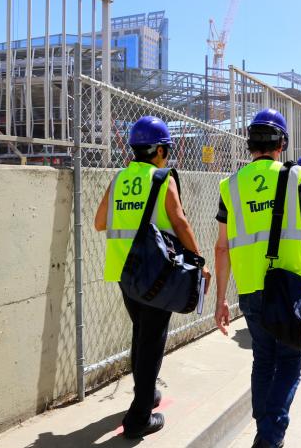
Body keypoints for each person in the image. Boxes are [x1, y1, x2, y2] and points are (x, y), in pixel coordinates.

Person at [214, 109, 301, 448]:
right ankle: (270, 435)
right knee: (290, 359)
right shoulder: (296, 178)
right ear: (282, 143)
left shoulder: (230, 185)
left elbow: (222, 248)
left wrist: (221, 298)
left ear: (250, 144)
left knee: (263, 358)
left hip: (250, 289)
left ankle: (265, 427)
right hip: (292, 287)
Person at [94, 115, 211, 439]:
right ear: (159, 150)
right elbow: (181, 222)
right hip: (155, 273)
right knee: (152, 340)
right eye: (167, 150)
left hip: (123, 272)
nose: (168, 156)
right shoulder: (162, 178)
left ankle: (146, 394)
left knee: (141, 334)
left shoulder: (120, 178)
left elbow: (99, 222)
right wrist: (199, 261)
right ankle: (139, 418)